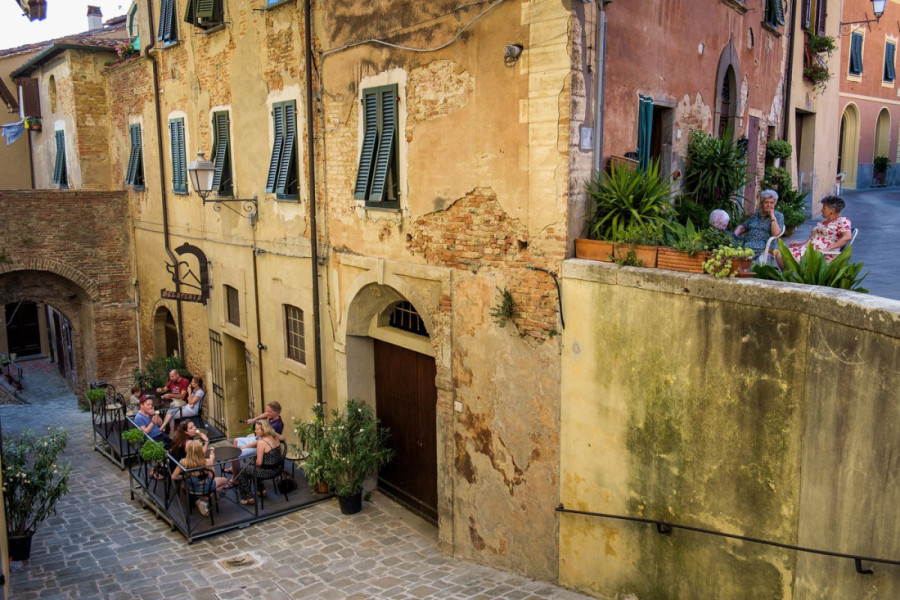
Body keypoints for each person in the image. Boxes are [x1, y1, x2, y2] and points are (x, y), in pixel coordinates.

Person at [777, 195, 852, 268]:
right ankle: (787, 277)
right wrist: (800, 243)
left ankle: (799, 278)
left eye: (824, 208)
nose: (821, 210)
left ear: (832, 210)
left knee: (790, 257)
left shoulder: (842, 221)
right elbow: (814, 238)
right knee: (779, 254)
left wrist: (828, 248)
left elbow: (847, 237)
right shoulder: (822, 223)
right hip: (807, 249)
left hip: (822, 253)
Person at [232, 420, 283, 505]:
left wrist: (251, 463)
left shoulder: (261, 443)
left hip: (268, 472)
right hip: (278, 468)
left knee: (242, 471)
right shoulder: (275, 436)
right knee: (252, 465)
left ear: (263, 430)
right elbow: (283, 439)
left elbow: (259, 463)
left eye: (257, 429)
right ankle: (260, 490)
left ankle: (248, 498)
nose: (255, 431)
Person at [171, 440, 228, 517]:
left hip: (191, 487)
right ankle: (206, 498)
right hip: (206, 486)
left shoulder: (183, 462)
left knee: (184, 486)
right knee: (225, 480)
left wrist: (185, 477)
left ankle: (201, 500)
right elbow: (212, 477)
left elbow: (173, 477)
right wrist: (211, 461)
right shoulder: (207, 462)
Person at [226, 401, 284, 475]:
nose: (267, 413)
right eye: (267, 411)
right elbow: (265, 415)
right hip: (258, 439)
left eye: (269, 412)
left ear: (276, 412)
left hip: (261, 445)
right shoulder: (272, 416)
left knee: (234, 455)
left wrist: (246, 446)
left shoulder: (276, 426)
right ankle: (235, 467)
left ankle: (235, 478)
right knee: (236, 441)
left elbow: (262, 442)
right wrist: (254, 419)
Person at [734, 189, 784, 258]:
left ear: (774, 204)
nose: (769, 205)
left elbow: (775, 234)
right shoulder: (757, 214)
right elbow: (743, 226)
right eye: (766, 202)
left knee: (739, 252)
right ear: (761, 204)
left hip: (763, 244)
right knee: (731, 245)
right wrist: (734, 235)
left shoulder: (778, 216)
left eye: (771, 203)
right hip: (747, 241)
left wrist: (772, 216)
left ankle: (741, 265)